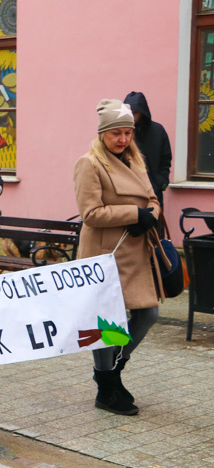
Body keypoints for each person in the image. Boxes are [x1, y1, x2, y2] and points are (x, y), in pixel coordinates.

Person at [73, 99, 161, 416]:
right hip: (103, 255)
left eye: (127, 132)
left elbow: (152, 197)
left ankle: (113, 372)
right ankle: (106, 387)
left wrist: (150, 213)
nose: (123, 139)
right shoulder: (90, 163)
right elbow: (91, 213)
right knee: (106, 323)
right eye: (116, 134)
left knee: (148, 315)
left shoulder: (134, 160)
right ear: (102, 134)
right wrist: (134, 215)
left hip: (135, 254)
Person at [123, 92, 172, 209]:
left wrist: (161, 182)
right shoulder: (122, 132)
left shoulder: (158, 131)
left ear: (142, 112)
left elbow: (165, 159)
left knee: (155, 222)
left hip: (154, 188)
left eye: (135, 113)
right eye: (128, 113)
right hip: (128, 190)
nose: (132, 116)